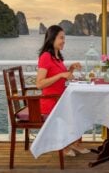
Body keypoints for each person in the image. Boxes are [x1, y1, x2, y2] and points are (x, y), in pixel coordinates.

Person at [36, 25, 90, 157]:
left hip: (60, 98)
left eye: (64, 38)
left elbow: (62, 77)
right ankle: (65, 145)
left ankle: (73, 142)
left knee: (82, 107)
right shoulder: (45, 57)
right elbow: (39, 84)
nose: (63, 41)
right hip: (51, 101)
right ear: (52, 38)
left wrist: (70, 69)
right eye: (61, 38)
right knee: (78, 109)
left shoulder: (57, 57)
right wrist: (61, 75)